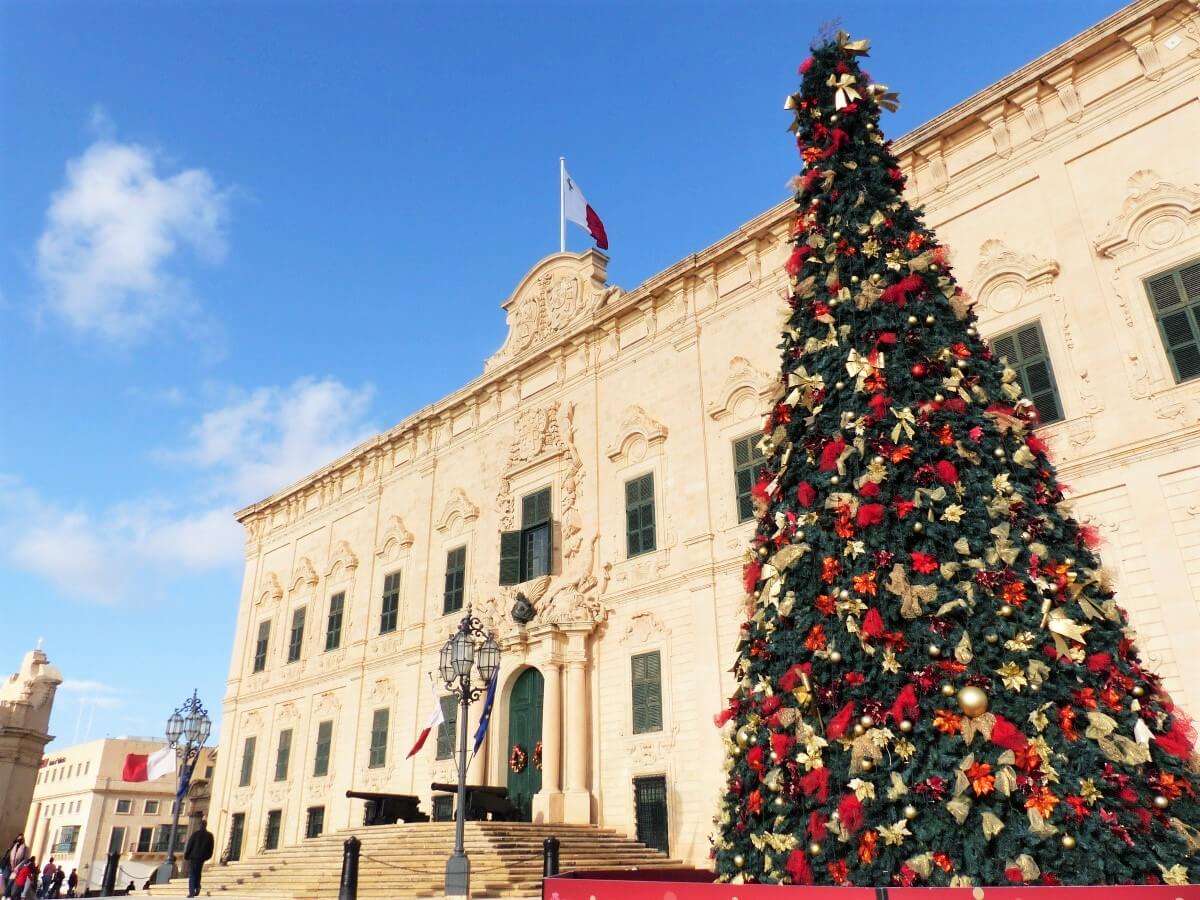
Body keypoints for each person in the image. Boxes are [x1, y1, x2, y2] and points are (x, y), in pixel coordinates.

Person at [182, 820, 213, 898]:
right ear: (206, 825)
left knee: (192, 874)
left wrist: (186, 855)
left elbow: (190, 845)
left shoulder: (195, 834)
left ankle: (192, 892)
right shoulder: (209, 835)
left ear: (200, 825)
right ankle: (198, 887)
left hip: (193, 857)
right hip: (202, 858)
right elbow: (211, 848)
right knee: (198, 873)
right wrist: (207, 857)